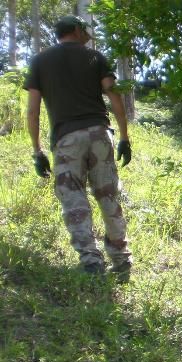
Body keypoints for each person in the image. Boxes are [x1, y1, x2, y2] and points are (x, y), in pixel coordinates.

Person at [24, 15, 133, 281]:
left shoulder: (40, 61)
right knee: (108, 196)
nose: (88, 34)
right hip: (99, 134)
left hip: (67, 139)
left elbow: (33, 111)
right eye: (85, 29)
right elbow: (114, 96)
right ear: (75, 30)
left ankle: (91, 261)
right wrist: (124, 137)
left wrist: (38, 151)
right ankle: (121, 259)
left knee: (74, 199)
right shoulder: (95, 57)